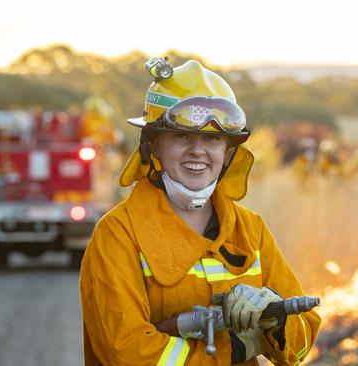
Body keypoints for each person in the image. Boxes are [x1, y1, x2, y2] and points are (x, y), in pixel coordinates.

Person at [79, 59, 321, 365]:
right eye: (181, 136)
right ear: (153, 145)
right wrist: (229, 351)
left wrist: (276, 318)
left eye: (212, 139)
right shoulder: (118, 234)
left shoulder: (250, 230)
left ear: (228, 151)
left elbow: (299, 349)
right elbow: (125, 350)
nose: (198, 150)